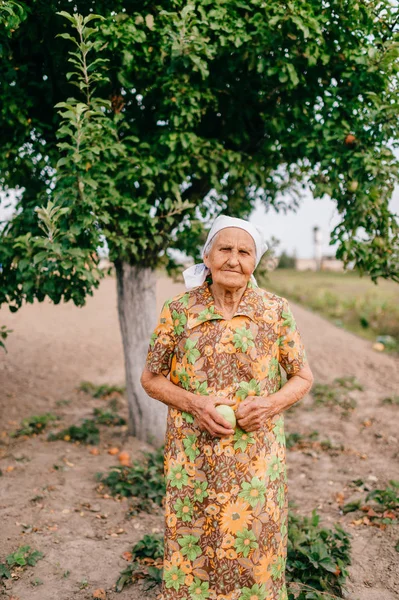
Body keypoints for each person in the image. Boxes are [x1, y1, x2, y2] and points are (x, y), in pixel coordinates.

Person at [141, 215, 314, 600]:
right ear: (207, 255)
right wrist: (195, 403)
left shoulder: (274, 311)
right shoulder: (179, 310)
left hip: (256, 463)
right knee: (194, 550)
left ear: (255, 262)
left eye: (244, 251)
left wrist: (270, 404)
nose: (233, 259)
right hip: (194, 462)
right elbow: (151, 379)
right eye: (225, 249)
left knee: (256, 551)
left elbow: (303, 377)